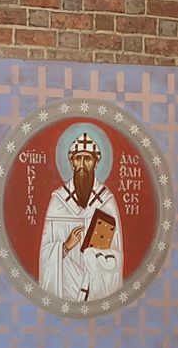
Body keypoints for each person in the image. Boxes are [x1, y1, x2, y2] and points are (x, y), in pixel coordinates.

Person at [38, 130, 125, 305]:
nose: (83, 165)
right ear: (71, 163)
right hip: (65, 286)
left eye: (88, 159)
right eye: (78, 159)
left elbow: (116, 255)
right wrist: (65, 247)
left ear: (96, 163)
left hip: (94, 285)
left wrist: (92, 257)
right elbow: (45, 255)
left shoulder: (106, 201)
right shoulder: (58, 200)